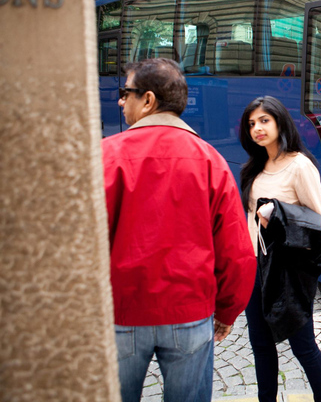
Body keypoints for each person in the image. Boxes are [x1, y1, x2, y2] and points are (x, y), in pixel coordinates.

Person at [103, 58, 257, 402]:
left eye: (124, 92)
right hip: (190, 312)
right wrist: (228, 310)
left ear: (147, 100)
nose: (119, 100)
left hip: (121, 311)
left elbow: (80, 244)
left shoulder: (107, 156)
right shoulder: (210, 160)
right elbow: (237, 249)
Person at [239, 96, 321, 402]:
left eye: (264, 120)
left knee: (303, 346)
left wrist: (280, 227)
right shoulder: (255, 167)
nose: (257, 128)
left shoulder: (299, 165)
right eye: (252, 123)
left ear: (280, 122)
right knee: (261, 344)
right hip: (255, 267)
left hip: (288, 271)